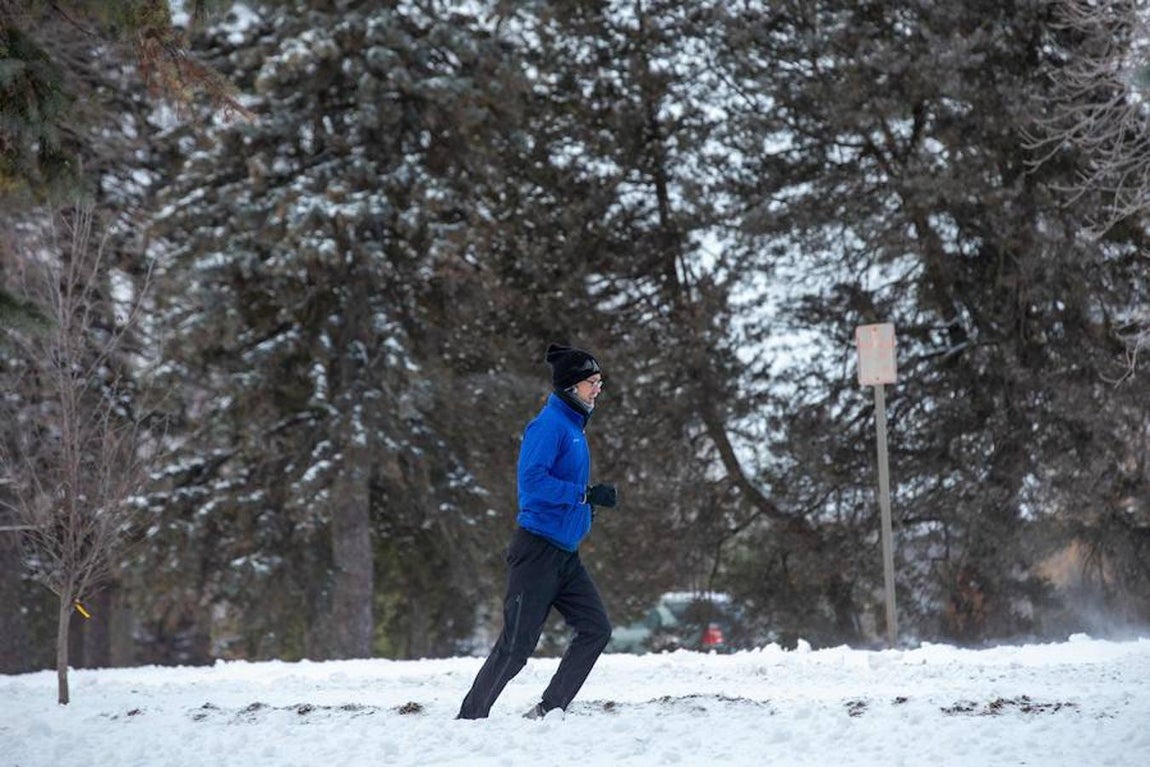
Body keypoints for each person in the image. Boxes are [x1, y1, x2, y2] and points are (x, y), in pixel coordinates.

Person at [457, 343, 618, 720]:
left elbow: (562, 489)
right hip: (537, 553)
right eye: (591, 382)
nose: (597, 389)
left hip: (565, 555)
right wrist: (584, 494)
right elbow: (531, 484)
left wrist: (589, 507)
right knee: (516, 648)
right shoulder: (549, 426)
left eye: (599, 382)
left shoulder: (574, 428)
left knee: (596, 629)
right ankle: (469, 719)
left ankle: (549, 710)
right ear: (569, 386)